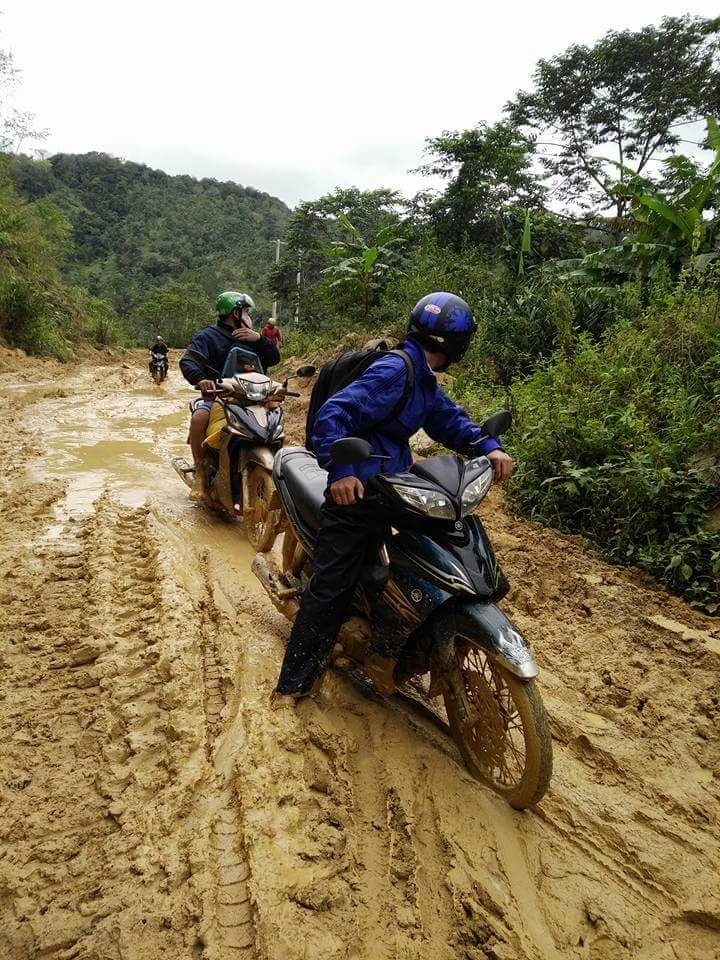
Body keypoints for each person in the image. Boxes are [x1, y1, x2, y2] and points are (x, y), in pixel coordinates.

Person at [275, 292, 514, 700]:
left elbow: (446, 418)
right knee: (332, 585)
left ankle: (405, 628)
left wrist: (486, 445)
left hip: (393, 486)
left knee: (444, 535)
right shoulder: (395, 371)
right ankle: (293, 685)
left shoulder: (421, 377)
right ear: (456, 344)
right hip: (357, 494)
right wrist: (345, 470)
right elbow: (335, 413)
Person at [179, 291, 280, 500]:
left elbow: (274, 358)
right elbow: (187, 361)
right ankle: (200, 473)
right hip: (219, 398)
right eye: (245, 311)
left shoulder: (253, 338)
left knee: (275, 424)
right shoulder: (208, 336)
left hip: (255, 400)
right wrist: (200, 379)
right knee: (199, 418)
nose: (248, 315)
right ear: (236, 313)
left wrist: (260, 339)